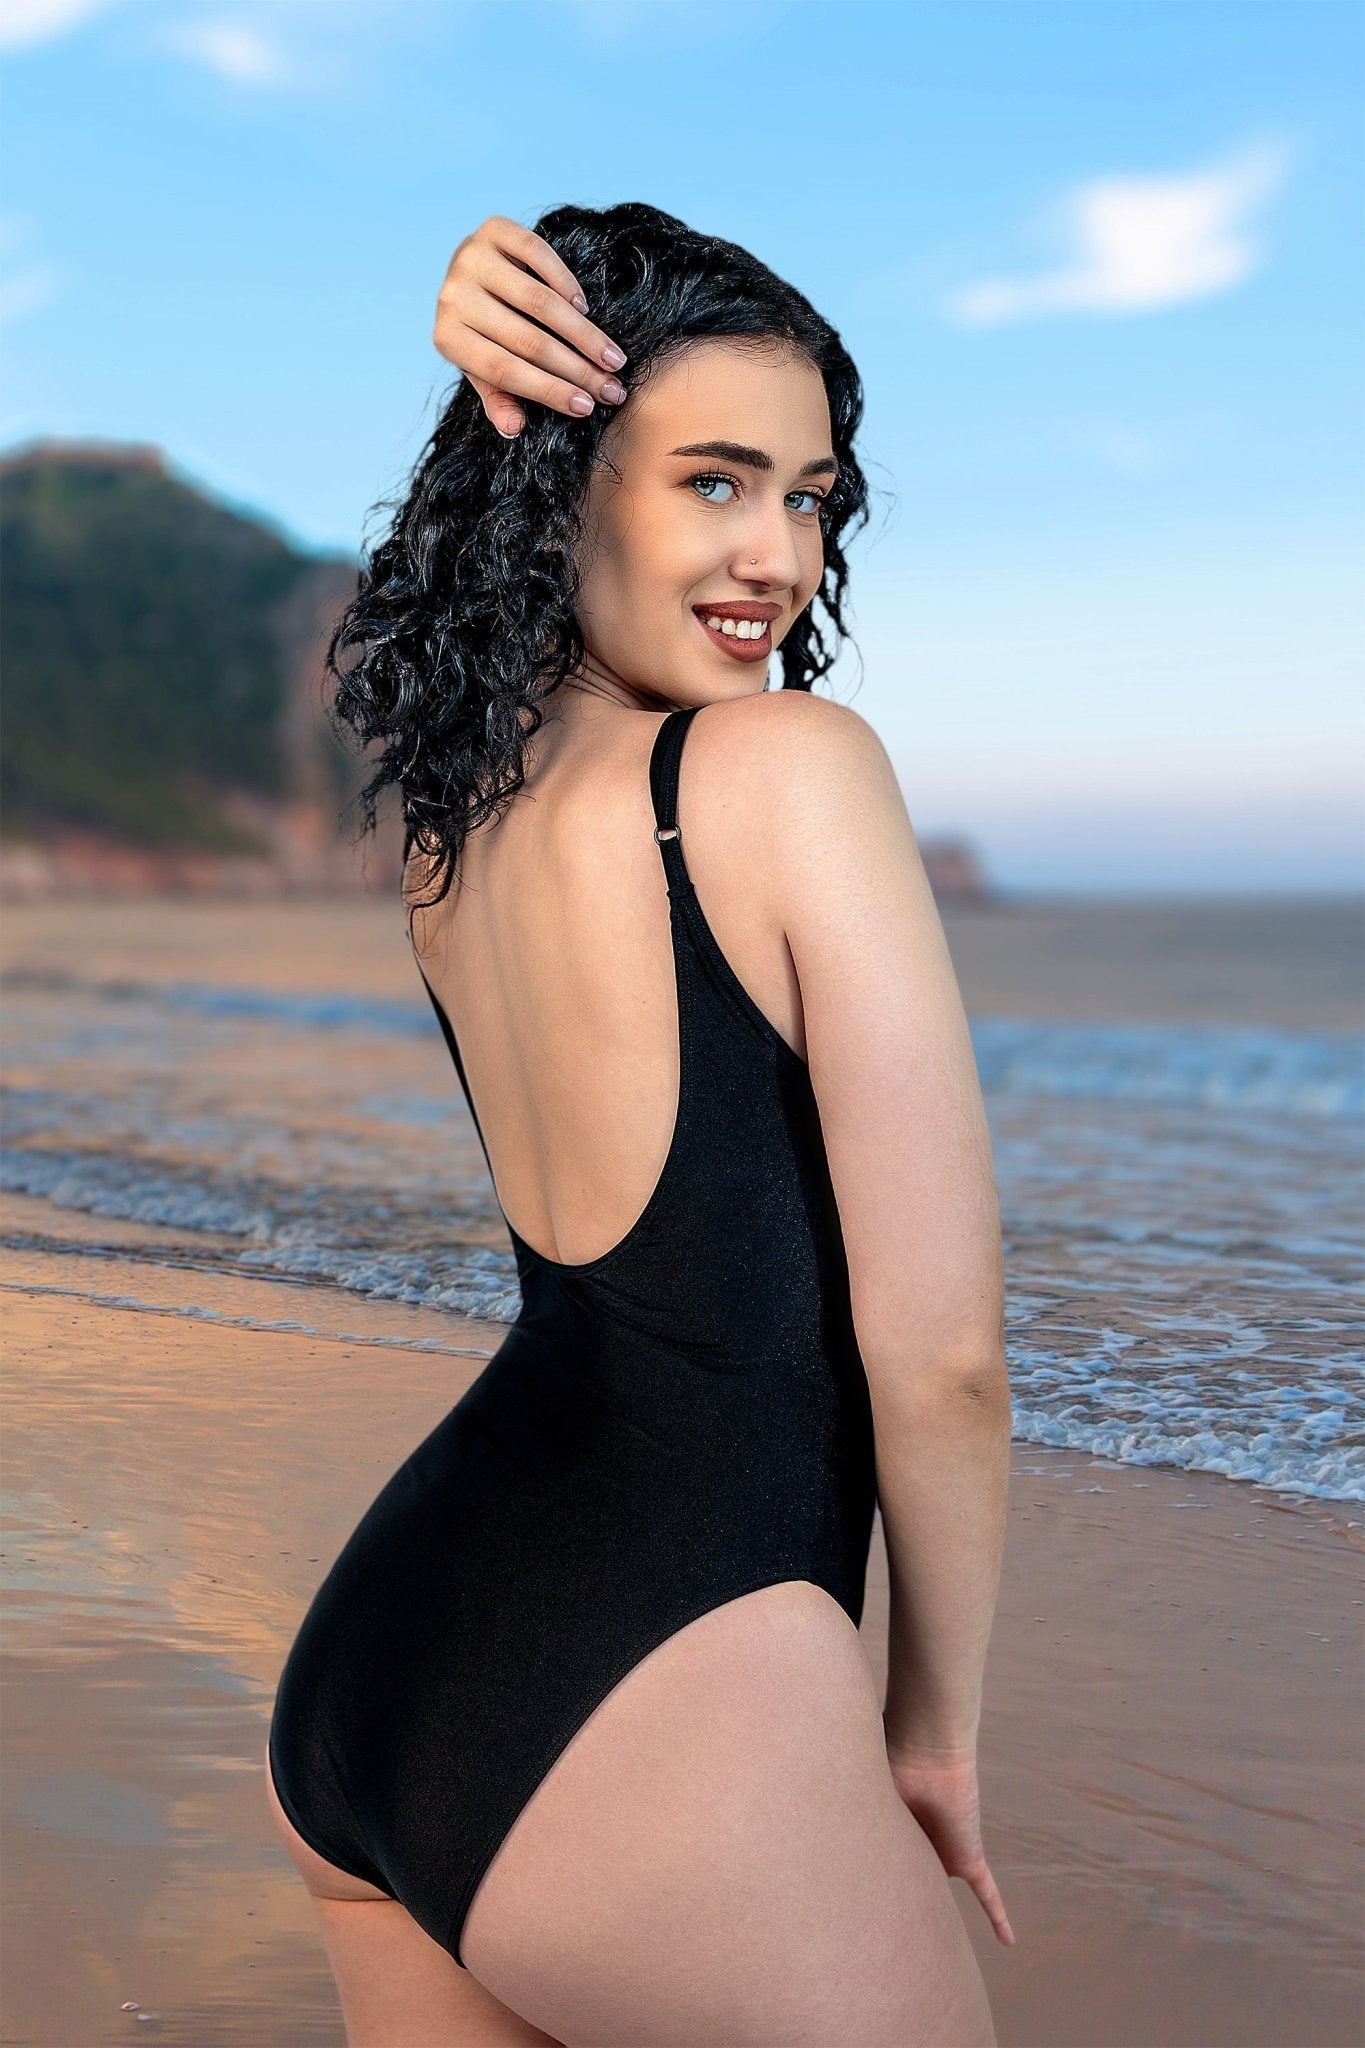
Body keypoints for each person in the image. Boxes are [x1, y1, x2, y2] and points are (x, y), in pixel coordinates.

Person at [265, 201, 1014, 2048]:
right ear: (565, 484)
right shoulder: (787, 771)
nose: (774, 552)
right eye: (714, 481)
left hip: (382, 1683)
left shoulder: (456, 841)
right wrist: (925, 1727)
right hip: (667, 1689)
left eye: (813, 497)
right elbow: (942, 1363)